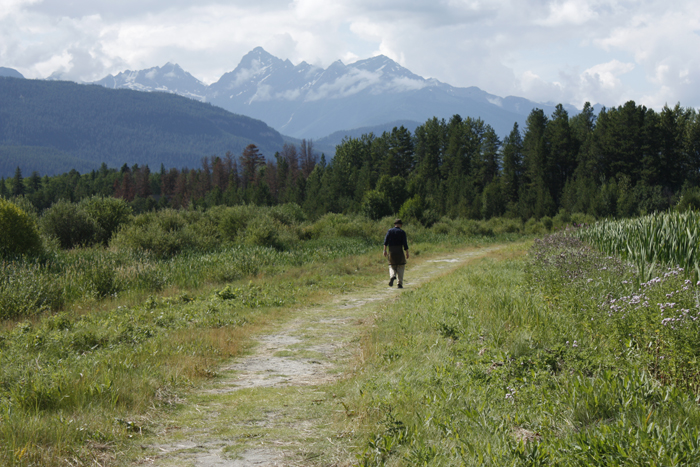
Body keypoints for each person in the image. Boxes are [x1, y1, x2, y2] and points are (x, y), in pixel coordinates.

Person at [383, 218, 409, 288]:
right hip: (399, 251)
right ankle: (399, 283)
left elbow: (385, 242)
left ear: (395, 224)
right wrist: (407, 252)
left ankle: (392, 276)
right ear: (400, 225)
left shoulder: (390, 231)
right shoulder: (402, 232)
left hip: (391, 251)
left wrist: (384, 250)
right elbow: (405, 244)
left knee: (392, 266)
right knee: (401, 266)